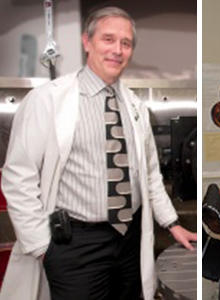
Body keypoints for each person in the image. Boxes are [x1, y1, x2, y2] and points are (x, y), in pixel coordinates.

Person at [0, 6, 196, 300]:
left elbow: (150, 175)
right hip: (75, 244)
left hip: (129, 238)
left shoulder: (135, 106)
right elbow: (18, 177)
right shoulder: (47, 100)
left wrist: (171, 223)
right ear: (87, 42)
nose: (117, 50)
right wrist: (42, 247)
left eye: (126, 43)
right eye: (108, 39)